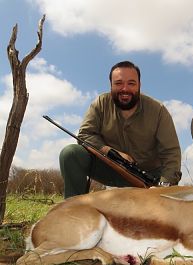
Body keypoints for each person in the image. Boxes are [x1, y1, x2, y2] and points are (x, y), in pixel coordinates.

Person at [59, 61, 182, 198]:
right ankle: (73, 207)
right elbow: (85, 135)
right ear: (111, 85)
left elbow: (171, 154)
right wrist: (110, 152)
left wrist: (163, 187)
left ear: (139, 85)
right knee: (70, 153)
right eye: (118, 83)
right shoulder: (100, 103)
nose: (125, 89)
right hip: (110, 168)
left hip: (148, 178)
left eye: (131, 83)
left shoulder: (158, 110)